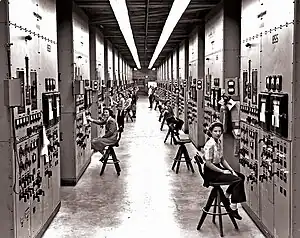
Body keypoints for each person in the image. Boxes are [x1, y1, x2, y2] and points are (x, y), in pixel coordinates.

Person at [203, 121, 246, 220]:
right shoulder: (210, 144)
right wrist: (222, 171)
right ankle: (233, 207)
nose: (218, 133)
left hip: (218, 167)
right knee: (238, 180)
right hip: (211, 173)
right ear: (211, 132)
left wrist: (231, 170)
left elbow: (222, 159)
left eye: (219, 131)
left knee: (240, 176)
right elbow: (208, 164)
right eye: (215, 131)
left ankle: (226, 196)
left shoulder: (218, 142)